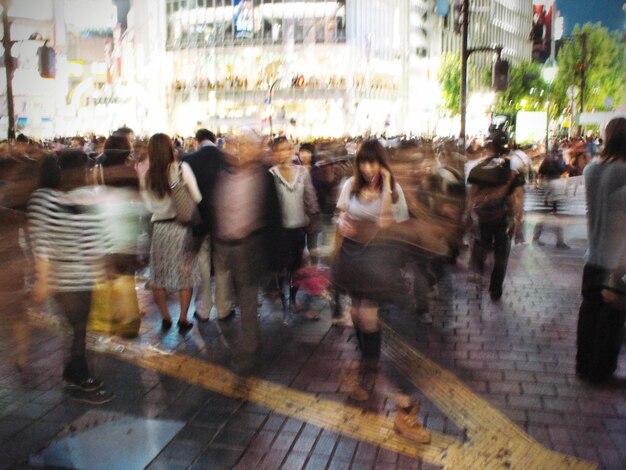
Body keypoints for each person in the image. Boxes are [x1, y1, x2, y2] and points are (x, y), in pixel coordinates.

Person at [333, 139, 430, 444]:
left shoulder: (394, 189)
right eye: (363, 162)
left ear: (382, 163)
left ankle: (373, 378)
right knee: (357, 315)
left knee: (369, 318)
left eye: (374, 162)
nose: (368, 167)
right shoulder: (349, 185)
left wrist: (387, 185)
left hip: (379, 261)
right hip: (352, 257)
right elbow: (340, 216)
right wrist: (342, 224)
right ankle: (365, 370)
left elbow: (387, 221)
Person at [28, 150, 114, 404]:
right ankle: (79, 377)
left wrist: (43, 279)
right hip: (73, 279)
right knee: (77, 329)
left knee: (76, 329)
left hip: (67, 278)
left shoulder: (43, 199)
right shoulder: (81, 200)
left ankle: (74, 373)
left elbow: (41, 241)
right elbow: (96, 242)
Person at [211, 129, 282, 373]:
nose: (239, 149)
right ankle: (250, 341)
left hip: (249, 247)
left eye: (244, 145)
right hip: (225, 246)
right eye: (236, 144)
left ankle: (246, 353)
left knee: (248, 301)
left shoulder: (263, 177)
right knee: (238, 298)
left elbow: (274, 217)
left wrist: (275, 258)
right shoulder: (225, 173)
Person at [576, 117, 626, 384]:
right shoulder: (623, 171)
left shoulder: (591, 171)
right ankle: (601, 370)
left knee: (589, 312)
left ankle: (583, 365)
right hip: (618, 260)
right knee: (611, 318)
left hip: (593, 254)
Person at [140, 133, 202, 333]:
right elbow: (198, 197)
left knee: (159, 275)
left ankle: (166, 317)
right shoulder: (181, 169)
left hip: (159, 229)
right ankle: (183, 318)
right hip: (181, 228)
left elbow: (148, 206)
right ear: (170, 148)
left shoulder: (147, 176)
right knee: (185, 274)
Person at [183, 129, 234, 322]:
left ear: (197, 141)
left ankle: (203, 309)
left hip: (198, 219)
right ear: (214, 140)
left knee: (202, 264)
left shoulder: (188, 160)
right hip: (223, 221)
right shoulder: (228, 158)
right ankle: (224, 308)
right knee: (223, 266)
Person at [466, 134, 525, 301]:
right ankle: (495, 289)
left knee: (482, 243)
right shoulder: (512, 170)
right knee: (502, 253)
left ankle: (478, 267)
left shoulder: (478, 168)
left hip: (483, 216)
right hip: (503, 217)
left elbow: (472, 195)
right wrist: (518, 218)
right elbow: (517, 197)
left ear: (489, 149)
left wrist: (468, 214)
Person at [269, 136, 320, 319]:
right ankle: (284, 301)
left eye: (287, 148)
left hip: (299, 228)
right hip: (281, 231)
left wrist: (313, 220)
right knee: (282, 269)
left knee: (297, 268)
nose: (284, 153)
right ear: (275, 153)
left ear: (292, 150)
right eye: (280, 149)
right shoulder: (272, 174)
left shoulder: (302, 172)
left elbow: (310, 198)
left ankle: (293, 299)